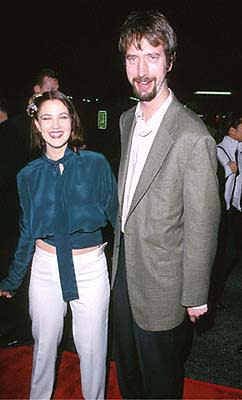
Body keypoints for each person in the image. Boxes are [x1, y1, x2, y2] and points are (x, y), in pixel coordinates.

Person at [110, 9, 221, 399]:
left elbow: (203, 223)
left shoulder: (194, 137)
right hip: (121, 274)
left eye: (151, 56)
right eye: (132, 57)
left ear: (169, 61)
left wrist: (195, 294)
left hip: (163, 284)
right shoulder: (126, 120)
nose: (141, 69)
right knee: (129, 377)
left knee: (159, 385)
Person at [0, 90, 118, 400]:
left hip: (91, 268)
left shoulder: (96, 164)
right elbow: (27, 230)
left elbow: (118, 218)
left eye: (62, 116)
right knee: (44, 349)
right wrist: (13, 278)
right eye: (46, 117)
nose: (55, 125)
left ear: (72, 121)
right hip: (45, 269)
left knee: (94, 351)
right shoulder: (27, 176)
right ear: (36, 125)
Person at [0, 68, 60, 348]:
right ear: (35, 92)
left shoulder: (53, 129)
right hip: (13, 217)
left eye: (57, 93)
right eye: (48, 91)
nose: (53, 98)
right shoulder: (13, 130)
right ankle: (16, 329)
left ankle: (25, 330)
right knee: (15, 270)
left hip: (41, 219)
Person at [208, 112, 242, 319]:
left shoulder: (239, 149)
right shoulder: (218, 151)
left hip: (233, 211)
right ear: (232, 131)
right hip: (219, 212)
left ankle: (215, 295)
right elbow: (213, 182)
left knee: (229, 255)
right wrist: (228, 170)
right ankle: (210, 298)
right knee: (221, 256)